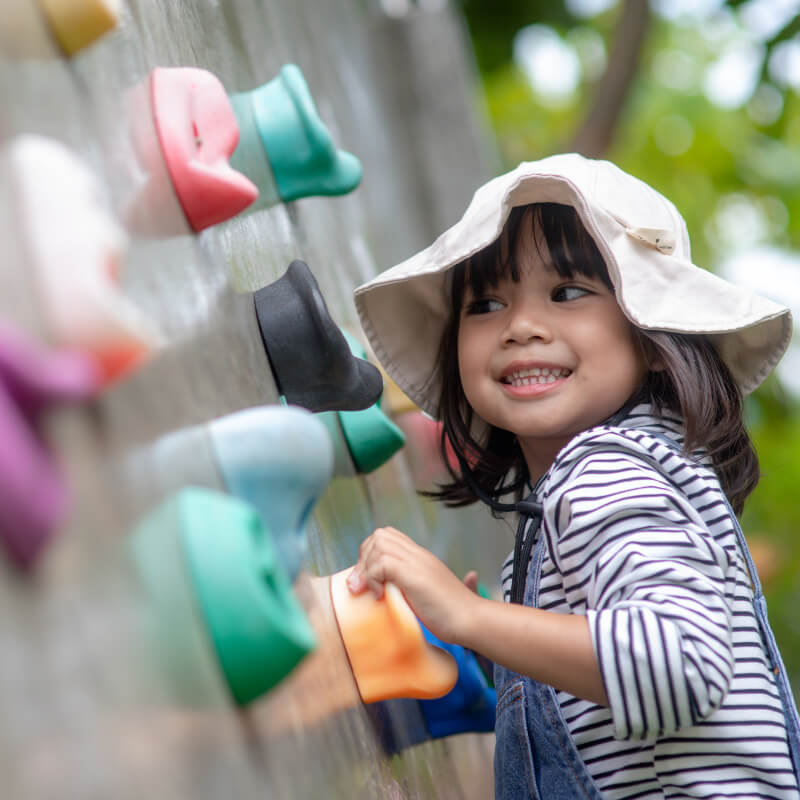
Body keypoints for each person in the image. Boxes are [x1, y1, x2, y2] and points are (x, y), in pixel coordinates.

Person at [348, 154, 800, 799]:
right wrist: (505, 657)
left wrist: (469, 616)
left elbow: (681, 661)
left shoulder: (606, 472)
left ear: (649, 335)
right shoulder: (614, 477)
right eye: (486, 302)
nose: (521, 326)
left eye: (567, 293)